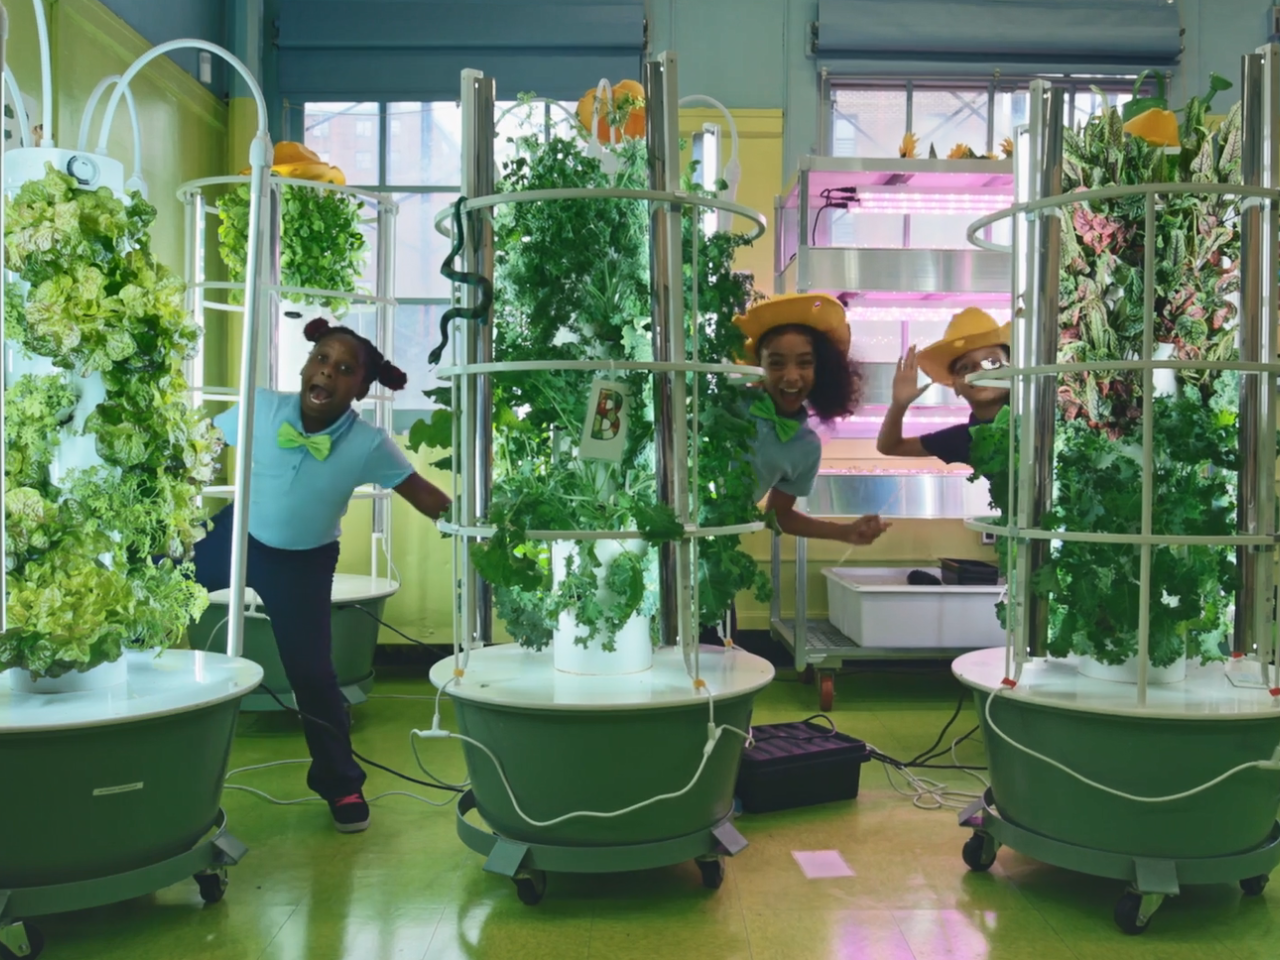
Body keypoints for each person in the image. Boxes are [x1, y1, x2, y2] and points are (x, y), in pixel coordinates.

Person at [198, 318, 451, 833]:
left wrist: (478, 524)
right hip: (237, 536)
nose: (329, 373)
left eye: (345, 369)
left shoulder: (367, 443)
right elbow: (204, 442)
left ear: (360, 386)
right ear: (304, 363)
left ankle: (341, 783)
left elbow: (422, 494)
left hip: (304, 562)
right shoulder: (263, 407)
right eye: (322, 359)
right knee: (158, 583)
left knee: (313, 675)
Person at [701, 294, 890, 645]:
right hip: (668, 541)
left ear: (822, 370)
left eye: (804, 363)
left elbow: (780, 515)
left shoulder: (805, 447)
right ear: (757, 365)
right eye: (776, 363)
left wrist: (845, 533)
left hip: (715, 561)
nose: (791, 376)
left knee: (717, 653)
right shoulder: (725, 404)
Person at [876, 307, 1011, 467]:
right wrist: (899, 404)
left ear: (1012, 369)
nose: (979, 370)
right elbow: (889, 446)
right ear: (955, 386)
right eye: (966, 367)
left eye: (992, 362)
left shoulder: (1036, 413)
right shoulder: (965, 439)